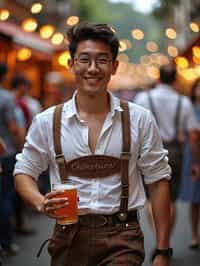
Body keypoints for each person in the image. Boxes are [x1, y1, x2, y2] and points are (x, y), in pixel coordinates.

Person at [14, 22, 172, 266]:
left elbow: (158, 182)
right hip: (68, 237)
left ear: (114, 66)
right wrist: (39, 201)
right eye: (84, 59)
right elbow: (24, 171)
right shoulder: (47, 122)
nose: (93, 68)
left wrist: (163, 251)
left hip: (123, 236)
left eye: (102, 60)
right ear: (71, 64)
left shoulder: (139, 119)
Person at [134, 64, 200, 242]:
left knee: (150, 198)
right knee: (170, 200)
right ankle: (165, 241)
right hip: (175, 152)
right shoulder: (183, 102)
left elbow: (135, 129)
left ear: (158, 78)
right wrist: (195, 162)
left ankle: (157, 239)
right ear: (175, 80)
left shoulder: (142, 98)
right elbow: (193, 135)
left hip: (148, 151)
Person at [0, 62, 24, 256]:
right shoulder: (6, 98)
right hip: (5, 153)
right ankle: (6, 242)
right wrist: (21, 148)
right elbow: (13, 127)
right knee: (4, 197)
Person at [179, 78, 200, 249]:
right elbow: (181, 132)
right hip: (193, 155)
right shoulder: (188, 108)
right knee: (195, 198)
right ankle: (194, 234)